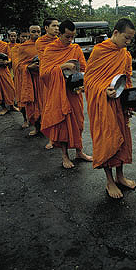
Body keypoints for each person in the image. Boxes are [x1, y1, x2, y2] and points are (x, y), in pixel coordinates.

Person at [84, 18, 135, 199]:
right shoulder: (99, 51)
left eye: (130, 40)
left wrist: (131, 100)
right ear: (115, 33)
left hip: (119, 104)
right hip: (102, 104)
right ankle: (109, 180)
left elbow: (127, 79)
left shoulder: (124, 54)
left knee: (122, 139)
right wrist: (103, 90)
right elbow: (88, 81)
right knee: (106, 139)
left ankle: (120, 176)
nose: (128, 42)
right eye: (126, 38)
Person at [40, 20, 92, 168]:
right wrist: (63, 66)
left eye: (72, 37)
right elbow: (44, 73)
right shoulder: (50, 49)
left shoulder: (75, 48)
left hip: (74, 92)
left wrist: (83, 82)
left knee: (78, 123)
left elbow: (84, 68)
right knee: (62, 124)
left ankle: (79, 151)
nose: (70, 40)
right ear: (60, 34)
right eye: (67, 37)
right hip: (59, 93)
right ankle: (64, 156)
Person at [35, 18, 59, 149]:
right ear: (46, 28)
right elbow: (45, 60)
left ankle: (59, 136)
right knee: (48, 108)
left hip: (60, 77)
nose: (56, 28)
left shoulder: (60, 41)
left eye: (57, 26)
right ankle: (51, 138)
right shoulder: (40, 42)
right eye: (53, 26)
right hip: (47, 78)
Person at [16, 25, 42, 136]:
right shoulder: (23, 47)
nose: (36, 34)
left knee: (46, 105)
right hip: (31, 80)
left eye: (39, 31)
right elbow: (19, 65)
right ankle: (37, 128)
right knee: (33, 105)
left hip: (44, 80)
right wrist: (28, 67)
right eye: (34, 32)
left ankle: (49, 132)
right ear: (29, 33)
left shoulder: (46, 45)